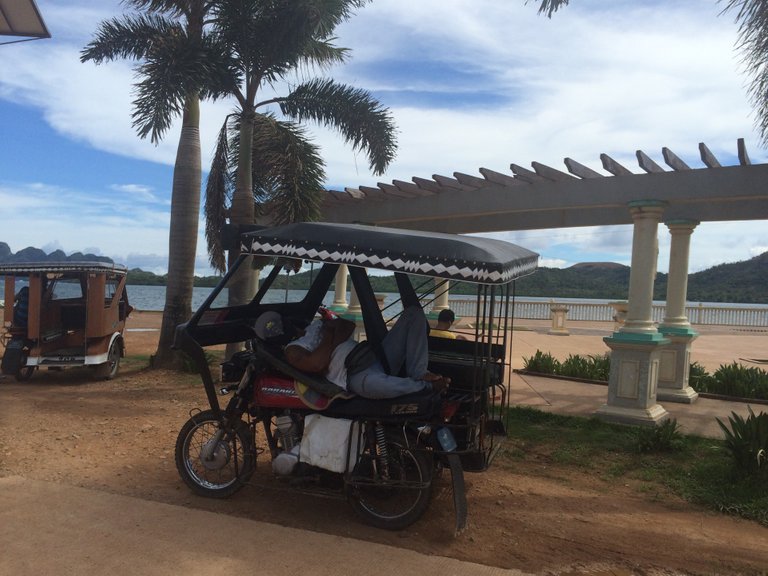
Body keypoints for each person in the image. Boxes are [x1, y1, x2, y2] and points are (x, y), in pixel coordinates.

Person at [263, 306, 449, 400]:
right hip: (354, 375)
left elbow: (347, 325)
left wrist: (329, 339)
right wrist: (330, 334)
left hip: (375, 356)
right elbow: (317, 365)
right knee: (385, 386)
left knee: (413, 313)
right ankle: (427, 387)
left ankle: (419, 373)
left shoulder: (315, 325)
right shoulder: (292, 350)